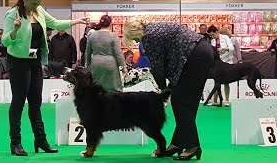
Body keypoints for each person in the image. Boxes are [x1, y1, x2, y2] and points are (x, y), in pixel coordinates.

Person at [1, 0, 88, 156]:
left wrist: (75, 21)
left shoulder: (39, 10)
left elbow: (55, 23)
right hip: (18, 62)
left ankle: (40, 139)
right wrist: (15, 30)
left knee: (36, 103)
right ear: (25, 0)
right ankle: (15, 142)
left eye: (38, 3)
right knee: (18, 102)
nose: (36, 6)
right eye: (33, 3)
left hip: (35, 61)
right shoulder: (12, 14)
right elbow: (5, 41)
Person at [123, 17, 214, 160]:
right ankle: (178, 143)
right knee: (187, 102)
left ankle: (193, 146)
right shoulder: (153, 28)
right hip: (201, 52)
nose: (135, 42)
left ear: (134, 32)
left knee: (181, 103)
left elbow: (157, 68)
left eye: (133, 38)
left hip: (194, 57)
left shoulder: (149, 37)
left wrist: (162, 90)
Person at [86, 15, 127, 92]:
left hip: (96, 63)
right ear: (110, 24)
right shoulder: (113, 36)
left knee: (96, 88)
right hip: (110, 63)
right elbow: (118, 53)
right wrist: (123, 66)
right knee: (113, 89)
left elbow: (87, 52)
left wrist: (88, 64)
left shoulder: (92, 35)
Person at [207, 25, 234, 106]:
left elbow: (231, 48)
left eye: (212, 34)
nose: (212, 36)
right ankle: (214, 101)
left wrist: (223, 49)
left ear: (216, 32)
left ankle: (227, 100)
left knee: (226, 82)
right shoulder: (212, 41)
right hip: (218, 63)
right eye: (210, 35)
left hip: (227, 62)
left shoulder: (225, 37)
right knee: (216, 82)